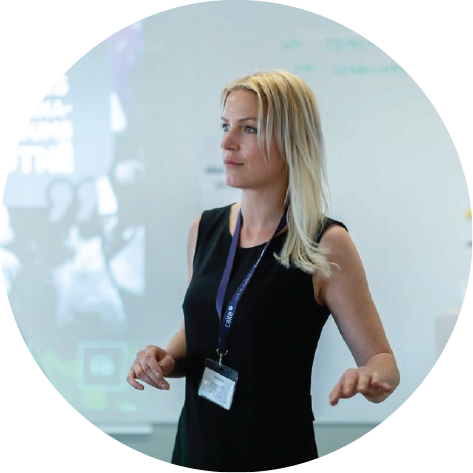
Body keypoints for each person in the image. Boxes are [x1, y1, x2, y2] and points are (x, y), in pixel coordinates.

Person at [126, 69, 400, 471]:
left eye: (249, 129)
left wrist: (372, 379)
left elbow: (382, 359)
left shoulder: (325, 243)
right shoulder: (203, 230)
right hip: (195, 450)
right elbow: (196, 332)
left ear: (291, 141)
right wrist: (164, 358)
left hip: (276, 454)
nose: (227, 142)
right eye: (225, 126)